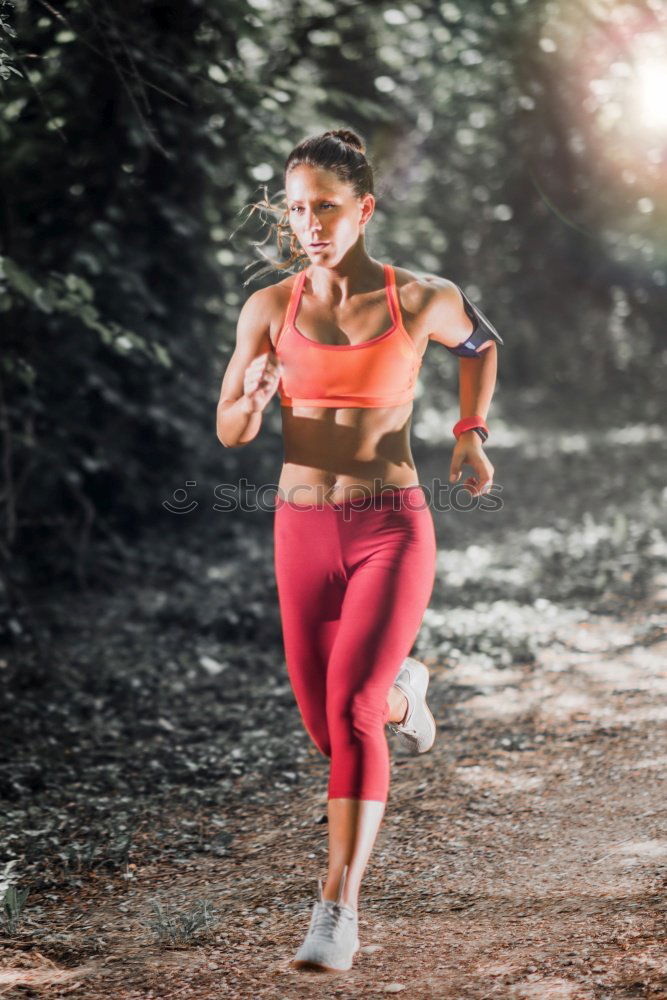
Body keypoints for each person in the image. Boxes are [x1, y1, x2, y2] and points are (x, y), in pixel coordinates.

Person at [216, 128, 502, 973]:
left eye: (326, 208)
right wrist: (256, 400)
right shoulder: (268, 308)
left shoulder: (419, 298)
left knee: (348, 715)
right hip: (300, 529)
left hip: (389, 526)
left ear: (364, 209)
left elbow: (481, 347)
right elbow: (229, 431)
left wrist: (469, 433)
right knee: (326, 728)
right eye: (297, 209)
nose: (309, 224)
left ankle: (336, 909)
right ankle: (403, 698)